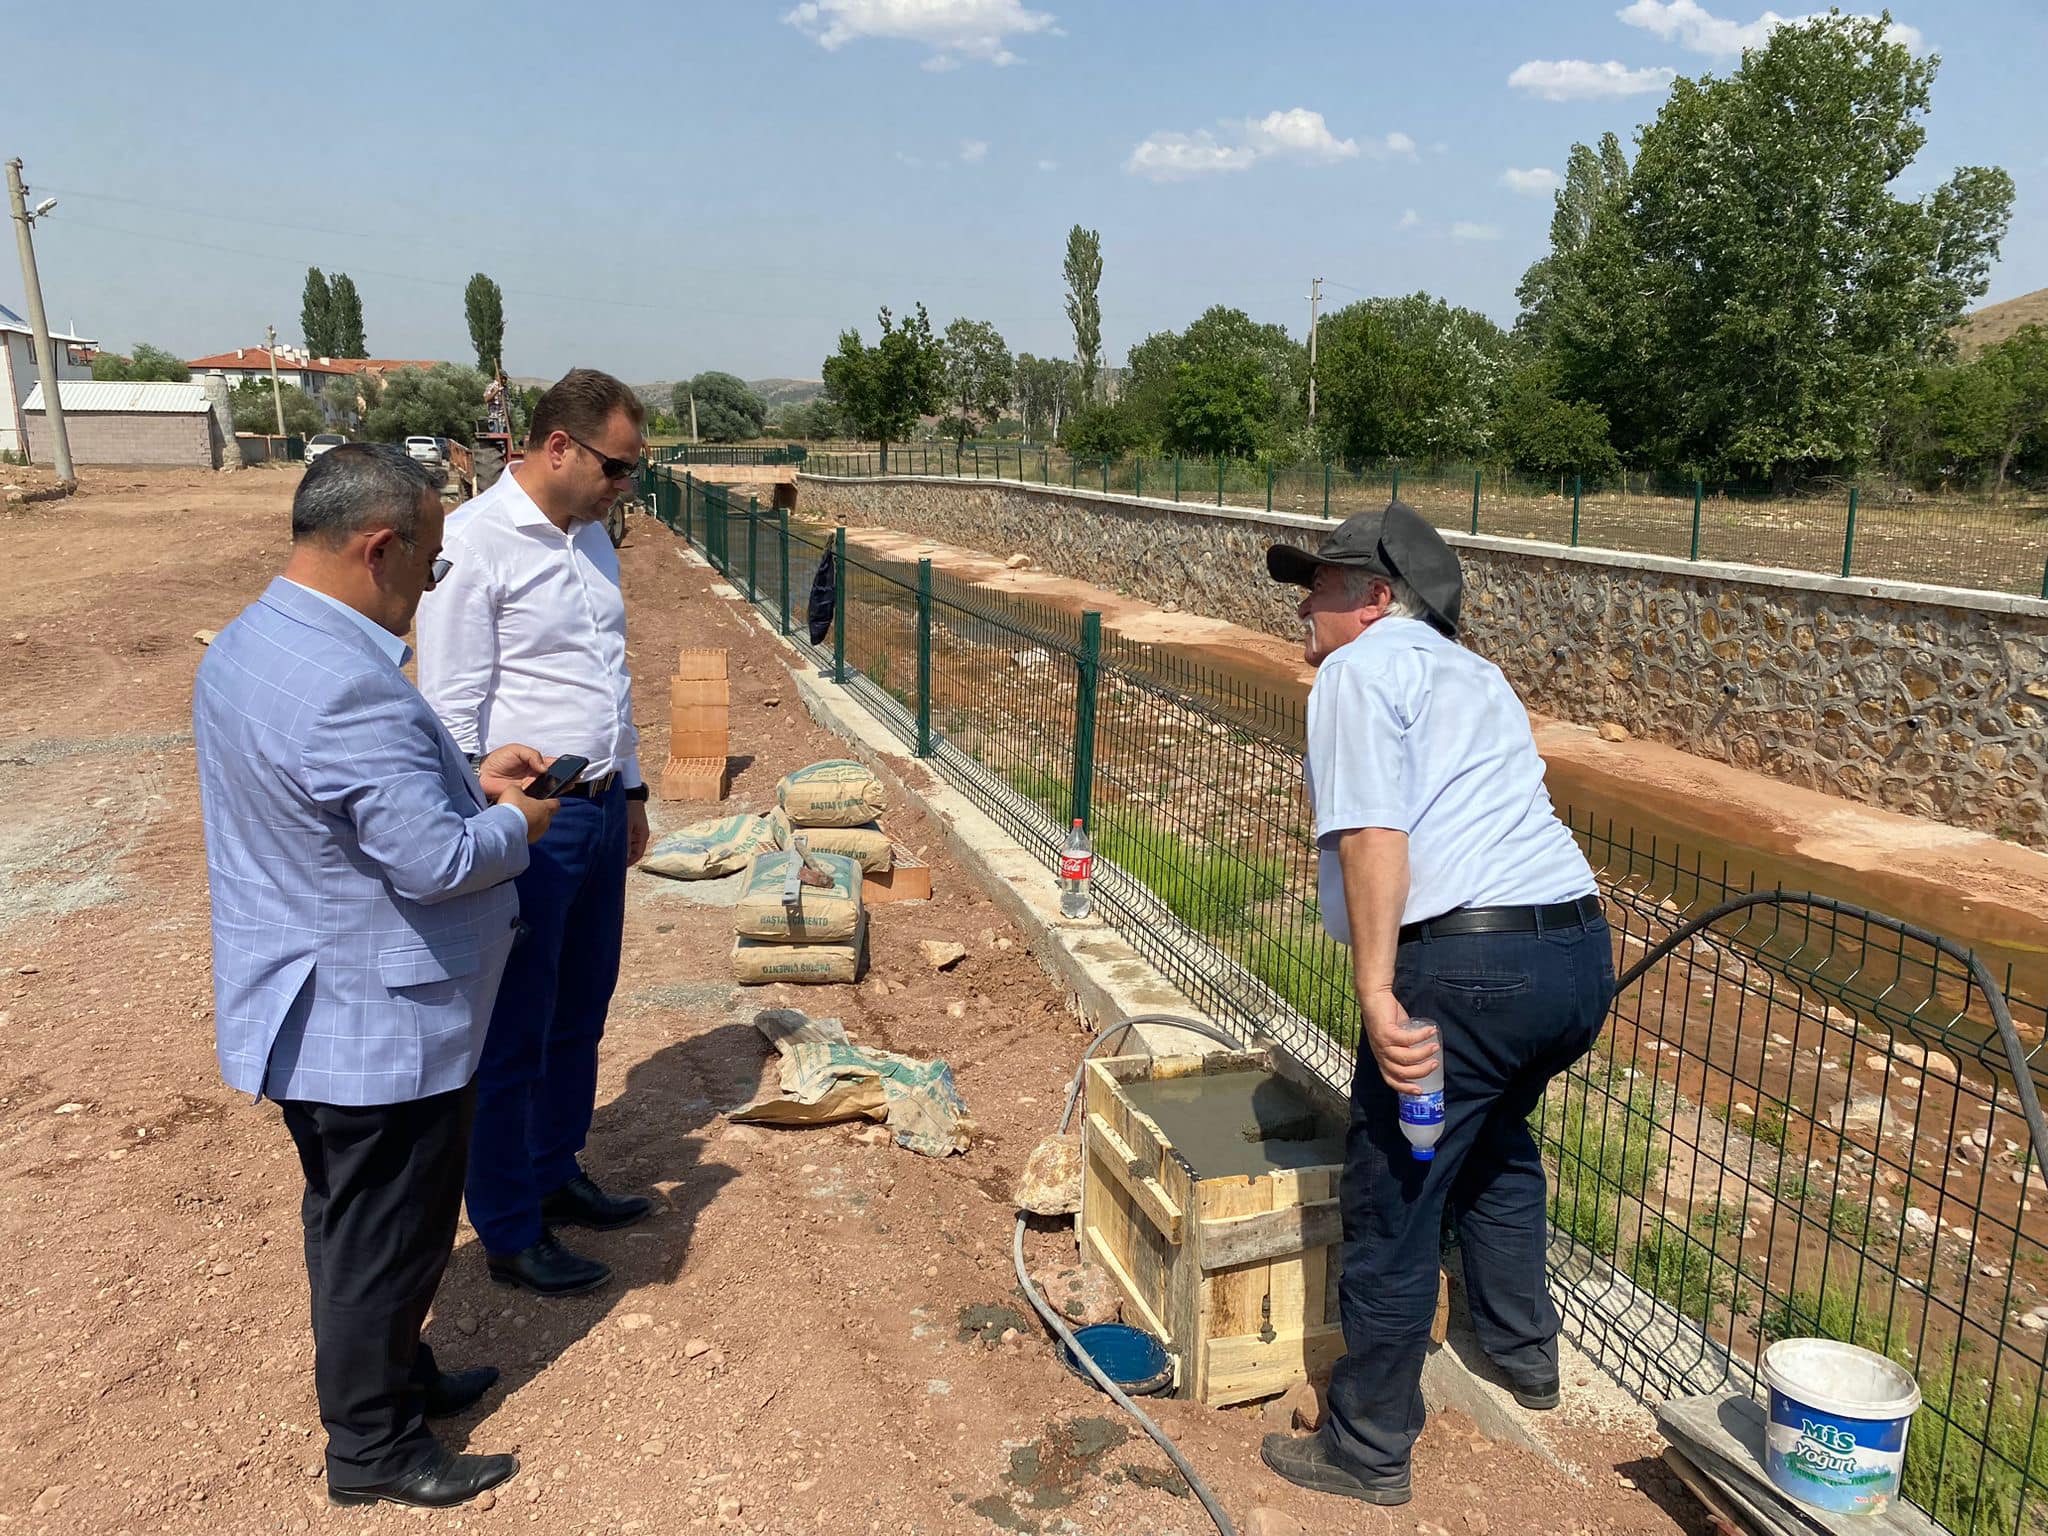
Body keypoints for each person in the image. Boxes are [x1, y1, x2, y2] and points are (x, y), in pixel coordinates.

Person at [193, 445, 562, 1509]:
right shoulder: (348, 683)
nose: (432, 586)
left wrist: (462, 777)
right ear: (380, 547)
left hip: (304, 998)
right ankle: (372, 1450)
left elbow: (342, 811)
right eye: (432, 563)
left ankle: (401, 1376)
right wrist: (514, 820)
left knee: (356, 1221)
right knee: (380, 1237)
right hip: (374, 1022)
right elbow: (435, 861)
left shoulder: (255, 644)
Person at [1256, 501, 1616, 1506]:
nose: (1303, 612)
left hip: (1462, 972)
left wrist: (1375, 991)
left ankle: (1364, 1448)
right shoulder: (1475, 675)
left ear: (1375, 599)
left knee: (1394, 1189)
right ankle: (1522, 1355)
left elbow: (1374, 832)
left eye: (1319, 588)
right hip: (1573, 956)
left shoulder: (1359, 671)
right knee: (1495, 1141)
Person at [416, 369, 653, 1298]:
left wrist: (631, 789)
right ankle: (509, 1223)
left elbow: (611, 680)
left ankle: (556, 1171)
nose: (623, 486)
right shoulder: (474, 545)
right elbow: (451, 707)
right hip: (528, 817)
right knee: (517, 1022)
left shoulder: (593, 540)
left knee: (582, 1005)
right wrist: (489, 825)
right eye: (618, 467)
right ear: (559, 446)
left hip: (596, 808)